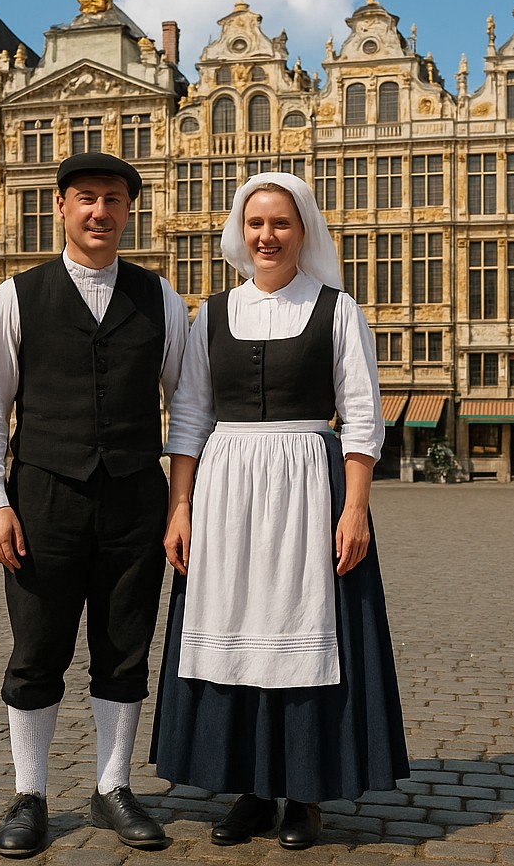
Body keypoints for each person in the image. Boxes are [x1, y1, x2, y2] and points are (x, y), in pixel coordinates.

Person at [152, 172, 409, 850]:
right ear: (240, 231)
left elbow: (361, 419)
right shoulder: (210, 313)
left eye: (281, 224)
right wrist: (180, 507)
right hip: (227, 485)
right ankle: (249, 789)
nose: (267, 235)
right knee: (235, 626)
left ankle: (304, 795)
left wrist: (355, 510)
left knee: (306, 633)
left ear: (304, 233)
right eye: (256, 223)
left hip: (307, 479)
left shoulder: (337, 310)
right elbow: (188, 419)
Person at [0, 152, 189, 859]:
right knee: (37, 650)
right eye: (87, 197)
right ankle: (30, 794)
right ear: (60, 206)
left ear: (130, 211)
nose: (101, 211)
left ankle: (112, 787)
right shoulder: (16, 295)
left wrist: (180, 503)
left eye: (115, 199)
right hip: (42, 498)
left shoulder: (163, 299)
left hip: (134, 499)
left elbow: (188, 407)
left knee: (124, 650)